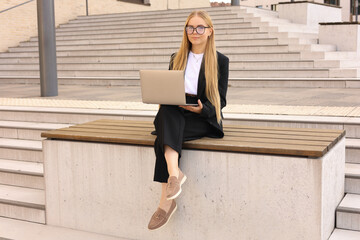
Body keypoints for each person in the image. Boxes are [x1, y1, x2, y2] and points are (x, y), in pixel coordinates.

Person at [147, 10, 229, 230]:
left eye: (200, 27)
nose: (195, 32)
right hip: (175, 110)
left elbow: (221, 101)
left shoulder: (220, 60)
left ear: (210, 31)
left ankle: (166, 202)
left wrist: (201, 109)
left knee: (163, 137)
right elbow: (167, 89)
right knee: (167, 108)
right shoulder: (177, 57)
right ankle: (175, 174)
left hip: (202, 117)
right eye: (190, 27)